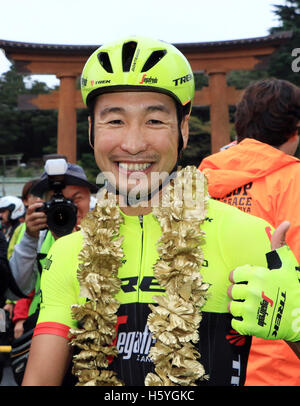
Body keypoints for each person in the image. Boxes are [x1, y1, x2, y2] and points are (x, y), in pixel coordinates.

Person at [22, 36, 300, 387]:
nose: (134, 144)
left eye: (154, 121)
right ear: (91, 130)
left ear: (182, 129)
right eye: (115, 121)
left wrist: (296, 327)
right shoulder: (67, 254)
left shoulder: (248, 234)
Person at [199, 78, 300, 386]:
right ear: (295, 127)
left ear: (240, 124)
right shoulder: (294, 181)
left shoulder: (201, 180)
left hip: (203, 357)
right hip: (278, 363)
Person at [7, 160, 97, 385]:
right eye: (59, 201)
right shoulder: (35, 235)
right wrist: (29, 238)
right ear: (44, 204)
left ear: (90, 199)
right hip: (45, 335)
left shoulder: (106, 235)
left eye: (76, 199)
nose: (68, 208)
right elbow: (17, 288)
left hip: (95, 338)